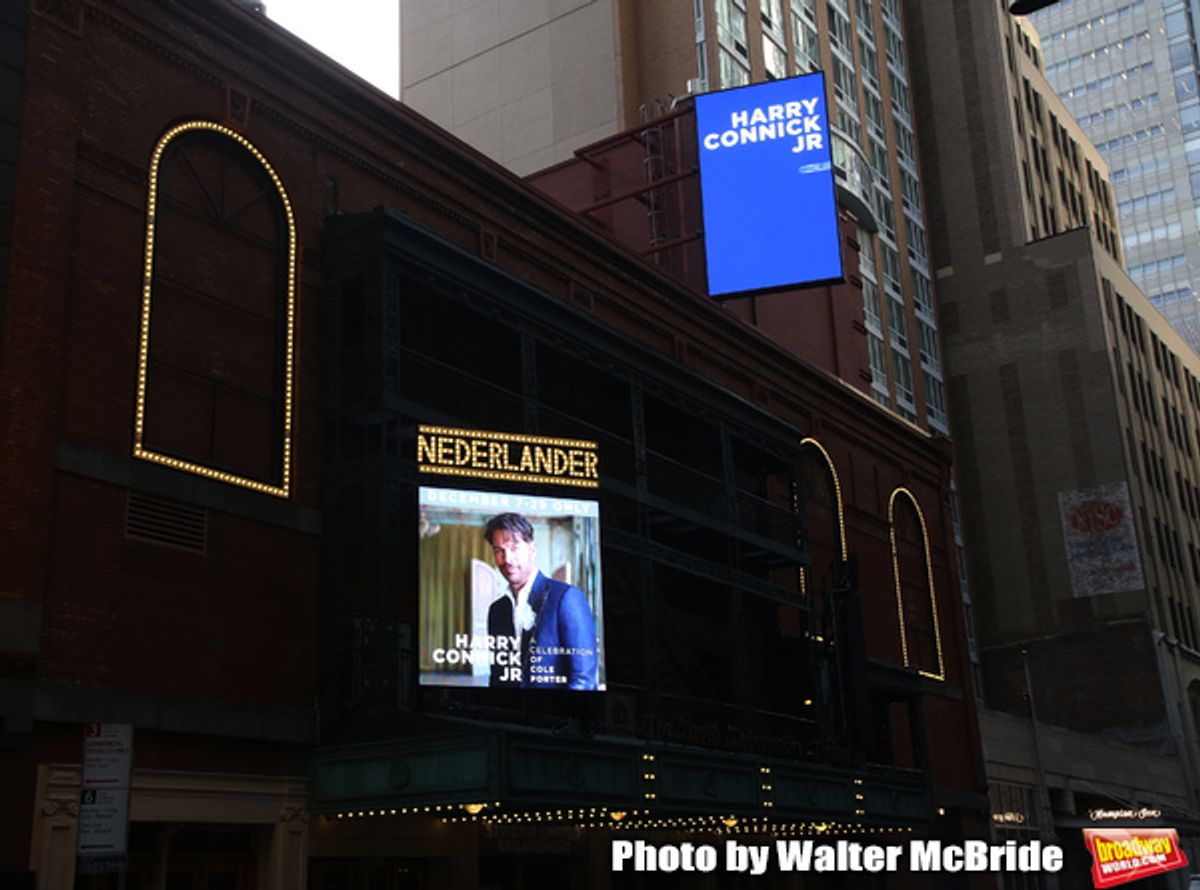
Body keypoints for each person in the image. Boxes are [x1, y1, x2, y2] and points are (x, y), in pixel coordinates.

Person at [484, 512, 599, 690]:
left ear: (532, 550)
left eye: (514, 548)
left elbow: (583, 679)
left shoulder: (567, 597)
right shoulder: (497, 610)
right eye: (499, 551)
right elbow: (498, 676)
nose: (507, 559)